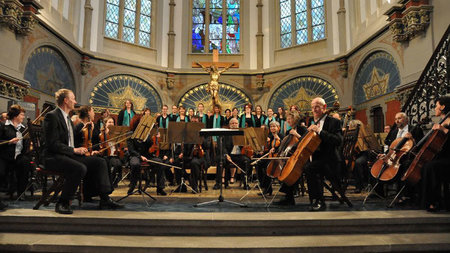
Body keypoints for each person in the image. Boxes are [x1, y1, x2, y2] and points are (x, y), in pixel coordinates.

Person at [42, 89, 123, 214]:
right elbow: (52, 144)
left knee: (99, 162)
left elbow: (69, 140)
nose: (75, 101)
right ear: (66, 100)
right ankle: (62, 203)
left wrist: (80, 149)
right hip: (53, 157)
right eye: (73, 98)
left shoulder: (67, 118)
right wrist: (74, 149)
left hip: (67, 155)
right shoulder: (52, 116)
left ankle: (105, 198)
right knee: (79, 168)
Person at [304, 97, 344, 211]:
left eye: (317, 106)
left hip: (331, 161)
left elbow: (338, 141)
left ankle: (319, 201)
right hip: (320, 159)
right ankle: (310, 199)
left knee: (310, 168)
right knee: (304, 165)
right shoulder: (314, 123)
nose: (314, 109)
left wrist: (320, 131)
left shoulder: (334, 122)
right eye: (312, 107)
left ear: (324, 107)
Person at [421, 95, 450, 212]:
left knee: (430, 167)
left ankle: (434, 202)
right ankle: (428, 201)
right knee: (425, 166)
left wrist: (443, 129)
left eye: (436, 106)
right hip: (442, 156)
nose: (435, 109)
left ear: (443, 107)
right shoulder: (443, 120)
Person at [0, 105, 32, 205]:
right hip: (4, 156)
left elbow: (25, 145)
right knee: (1, 171)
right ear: (15, 116)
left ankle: (21, 192)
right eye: (22, 114)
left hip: (18, 156)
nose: (23, 117)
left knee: (25, 163)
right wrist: (9, 142)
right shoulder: (3, 126)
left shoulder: (24, 128)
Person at [127, 116, 167, 196]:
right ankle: (132, 186)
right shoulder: (130, 134)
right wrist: (140, 156)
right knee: (135, 164)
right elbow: (131, 150)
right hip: (135, 156)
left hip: (147, 155)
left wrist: (155, 138)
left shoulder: (146, 133)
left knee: (159, 163)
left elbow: (150, 145)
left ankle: (160, 188)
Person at [275, 111, 308, 206]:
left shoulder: (302, 129)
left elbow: (306, 142)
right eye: (287, 119)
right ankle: (288, 196)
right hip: (291, 157)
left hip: (301, 157)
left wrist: (296, 134)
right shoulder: (288, 131)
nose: (288, 120)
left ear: (295, 119)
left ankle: (289, 196)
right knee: (282, 168)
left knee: (289, 170)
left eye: (290, 118)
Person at [214, 118, 252, 190]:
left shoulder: (242, 133)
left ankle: (245, 182)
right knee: (220, 160)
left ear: (238, 124)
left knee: (247, 160)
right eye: (232, 123)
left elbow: (247, 144)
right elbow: (221, 145)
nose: (234, 125)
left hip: (238, 155)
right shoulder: (225, 134)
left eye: (236, 123)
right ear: (229, 125)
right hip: (228, 155)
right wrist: (226, 154)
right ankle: (218, 183)